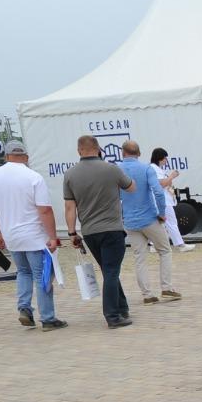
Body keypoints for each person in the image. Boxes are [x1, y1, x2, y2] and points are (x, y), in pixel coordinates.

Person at [0, 139, 65, 330]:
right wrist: (52, 236)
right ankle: (48, 317)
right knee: (41, 275)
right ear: (26, 157)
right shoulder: (33, 177)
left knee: (23, 272)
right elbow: (44, 210)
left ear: (6, 156)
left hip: (12, 235)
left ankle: (24, 308)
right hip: (34, 235)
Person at [63, 135, 135, 328]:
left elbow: (70, 207)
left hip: (89, 232)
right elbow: (131, 187)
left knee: (108, 270)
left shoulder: (70, 174)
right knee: (111, 272)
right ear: (99, 148)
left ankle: (122, 307)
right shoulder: (111, 169)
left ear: (79, 151)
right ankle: (112, 315)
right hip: (112, 229)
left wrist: (72, 233)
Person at [115, 141, 179, 304]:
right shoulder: (146, 169)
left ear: (123, 153)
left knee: (139, 257)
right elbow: (158, 191)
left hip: (129, 220)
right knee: (164, 250)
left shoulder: (116, 169)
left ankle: (147, 295)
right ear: (139, 153)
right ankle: (166, 288)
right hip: (149, 218)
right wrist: (161, 213)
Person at [147, 148, 195, 252]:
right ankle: (180, 245)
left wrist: (169, 180)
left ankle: (153, 245)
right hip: (161, 200)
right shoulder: (153, 168)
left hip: (163, 199)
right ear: (160, 158)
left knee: (159, 223)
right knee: (171, 222)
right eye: (165, 158)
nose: (166, 161)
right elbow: (161, 184)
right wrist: (172, 176)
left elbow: (166, 183)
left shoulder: (157, 169)